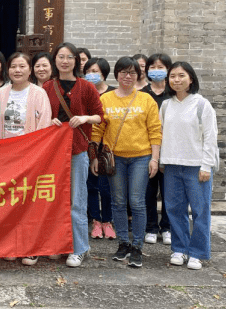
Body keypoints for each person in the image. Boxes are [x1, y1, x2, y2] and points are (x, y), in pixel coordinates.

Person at [91, 56, 161, 269]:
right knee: (118, 202)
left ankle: (137, 246)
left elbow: (155, 131)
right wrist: (93, 156)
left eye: (132, 73)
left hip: (141, 157)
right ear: (116, 74)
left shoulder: (146, 100)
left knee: (137, 201)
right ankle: (123, 243)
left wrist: (155, 159)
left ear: (138, 76)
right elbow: (97, 129)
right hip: (115, 158)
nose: (127, 76)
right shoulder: (106, 99)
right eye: (123, 72)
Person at [44, 43, 103, 268]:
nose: (65, 61)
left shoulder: (86, 87)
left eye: (70, 57)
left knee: (77, 201)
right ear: (55, 60)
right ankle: (58, 245)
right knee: (54, 200)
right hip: (52, 153)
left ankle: (79, 248)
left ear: (76, 62)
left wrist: (85, 118)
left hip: (77, 151)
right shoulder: (47, 87)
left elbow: (100, 116)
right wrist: (49, 121)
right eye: (61, 57)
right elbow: (40, 115)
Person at [160, 62, 218, 271]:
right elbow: (161, 134)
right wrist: (161, 161)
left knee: (200, 210)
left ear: (191, 79)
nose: (176, 80)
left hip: (196, 166)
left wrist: (206, 165)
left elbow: (211, 138)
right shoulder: (166, 105)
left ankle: (197, 253)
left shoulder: (202, 105)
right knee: (175, 209)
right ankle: (179, 248)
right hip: (172, 166)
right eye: (172, 76)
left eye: (181, 75)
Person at [0, 52, 52, 266]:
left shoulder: (38, 94)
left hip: (29, 156)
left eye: (22, 66)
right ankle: (10, 244)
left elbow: (44, 125)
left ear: (30, 70)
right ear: (7, 70)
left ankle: (30, 247)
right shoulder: (0, 93)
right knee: (7, 202)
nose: (17, 70)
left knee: (29, 203)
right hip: (5, 155)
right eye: (13, 66)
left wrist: (35, 153)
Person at [82, 57, 116, 241]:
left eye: (95, 71)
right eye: (88, 71)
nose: (91, 75)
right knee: (91, 185)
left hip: (108, 147)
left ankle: (108, 221)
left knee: (107, 187)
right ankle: (96, 220)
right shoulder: (85, 91)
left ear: (104, 73)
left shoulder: (112, 94)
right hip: (88, 144)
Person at [142, 53, 173, 246]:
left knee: (170, 191)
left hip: (171, 150)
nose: (156, 71)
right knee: (148, 191)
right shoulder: (143, 94)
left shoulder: (174, 94)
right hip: (147, 149)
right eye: (152, 67)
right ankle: (151, 227)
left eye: (161, 67)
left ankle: (167, 227)